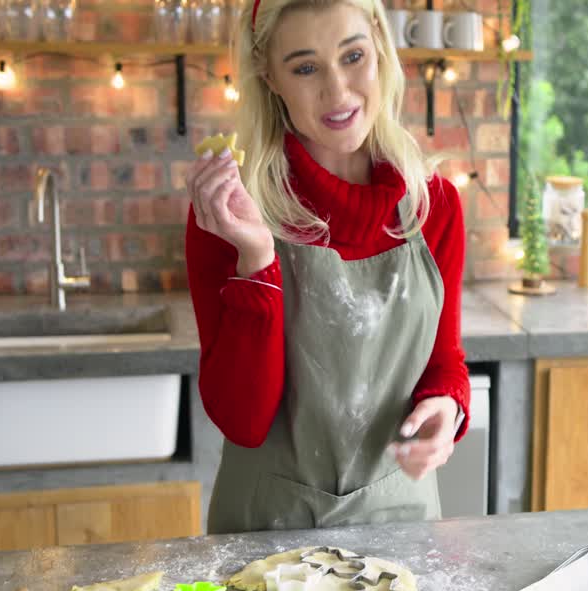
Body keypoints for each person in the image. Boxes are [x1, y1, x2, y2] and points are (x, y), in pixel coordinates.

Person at [183, 0, 471, 533]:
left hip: (402, 524)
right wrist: (256, 258)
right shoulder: (228, 214)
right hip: (265, 534)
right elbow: (242, 423)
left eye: (353, 55)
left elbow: (444, 360)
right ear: (270, 76)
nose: (337, 92)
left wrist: (446, 407)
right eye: (306, 67)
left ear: (380, 48)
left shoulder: (434, 206)